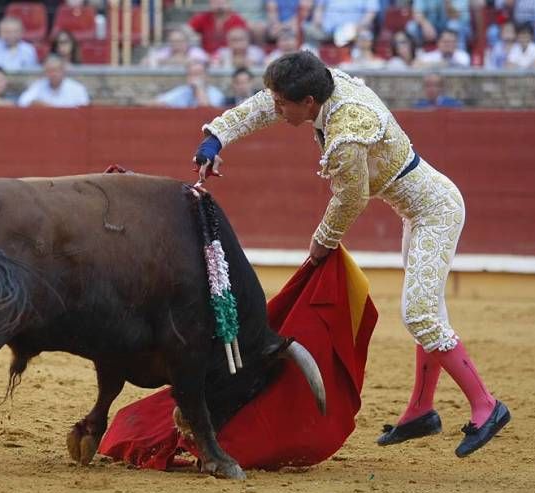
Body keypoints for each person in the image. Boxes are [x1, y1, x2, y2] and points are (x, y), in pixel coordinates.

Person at [191, 51, 510, 458]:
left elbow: (352, 197)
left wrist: (323, 239)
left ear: (308, 102)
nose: (276, 110)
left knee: (421, 314)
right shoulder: (324, 86)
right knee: (427, 312)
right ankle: (421, 410)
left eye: (283, 103)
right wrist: (216, 137)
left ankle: (486, 405)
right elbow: (261, 107)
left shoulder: (348, 130)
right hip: (419, 211)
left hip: (436, 212)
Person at [17, 55, 90, 107]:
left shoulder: (77, 89)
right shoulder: (38, 86)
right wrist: (34, 103)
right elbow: (22, 102)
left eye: (56, 70)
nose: (53, 74)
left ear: (63, 71)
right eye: (49, 71)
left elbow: (84, 109)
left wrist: (49, 107)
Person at [151, 59, 225, 108]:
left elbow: (207, 111)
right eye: (191, 74)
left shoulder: (215, 93)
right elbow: (156, 103)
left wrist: (199, 88)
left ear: (207, 76)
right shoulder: (183, 90)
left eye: (198, 74)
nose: (194, 77)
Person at [143, 26, 209, 68]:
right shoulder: (166, 51)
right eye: (172, 41)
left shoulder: (196, 51)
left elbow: (204, 62)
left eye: (179, 41)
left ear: (186, 41)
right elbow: (147, 61)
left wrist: (166, 61)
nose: (176, 44)